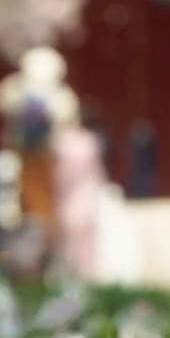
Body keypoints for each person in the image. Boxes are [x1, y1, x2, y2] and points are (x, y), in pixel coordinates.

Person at [0, 47, 80, 282]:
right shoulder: (57, 96)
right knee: (33, 212)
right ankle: (29, 264)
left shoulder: (19, 91)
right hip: (33, 166)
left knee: (35, 213)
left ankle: (33, 263)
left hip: (38, 165)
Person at [52, 105, 108, 282]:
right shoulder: (86, 141)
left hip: (75, 193)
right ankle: (82, 273)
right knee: (78, 235)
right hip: (77, 193)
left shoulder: (63, 142)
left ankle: (79, 273)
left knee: (74, 234)